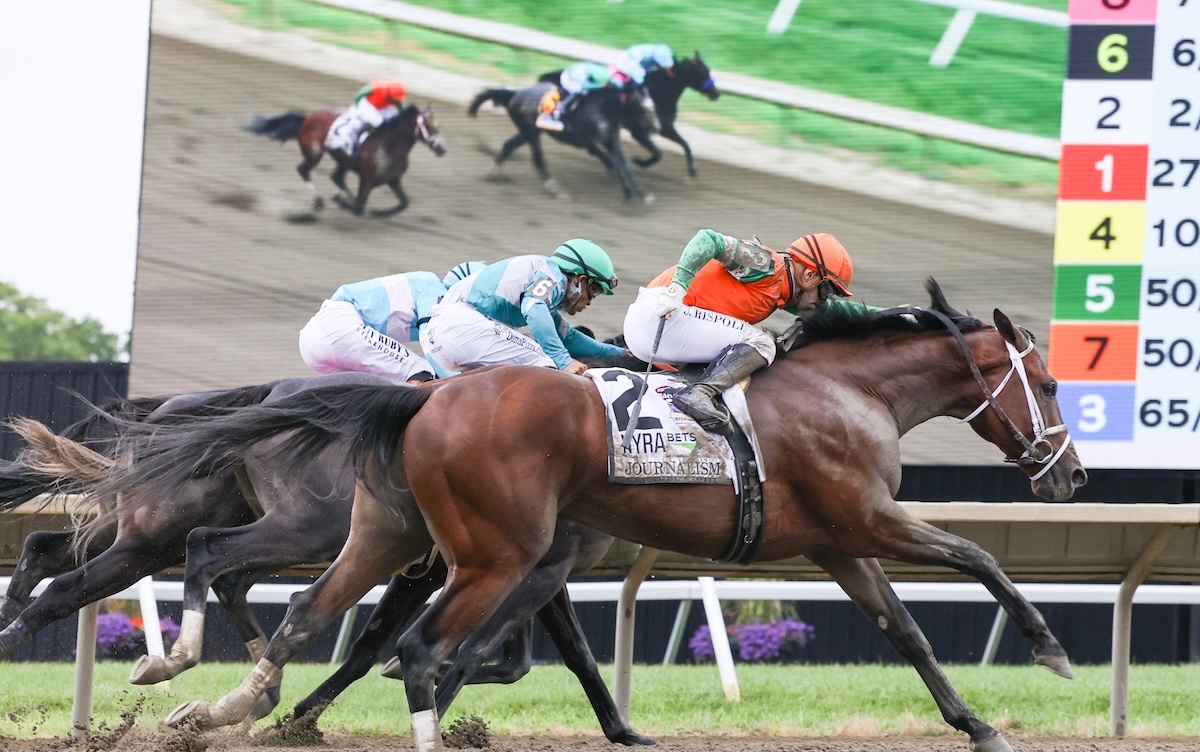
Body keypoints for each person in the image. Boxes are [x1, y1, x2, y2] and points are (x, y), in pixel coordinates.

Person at [623, 229, 877, 434]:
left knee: (741, 352)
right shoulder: (766, 265)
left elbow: (835, 312)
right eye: (828, 291)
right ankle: (699, 393)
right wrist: (678, 288)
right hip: (661, 316)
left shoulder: (782, 291)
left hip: (659, 333)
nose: (825, 300)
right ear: (809, 275)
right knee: (763, 343)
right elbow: (707, 239)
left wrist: (893, 314)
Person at [423, 239, 626, 375]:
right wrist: (564, 361)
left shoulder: (545, 292)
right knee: (549, 366)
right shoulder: (551, 275)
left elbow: (569, 338)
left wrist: (618, 353)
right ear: (580, 281)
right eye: (593, 293)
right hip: (460, 325)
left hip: (445, 337)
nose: (589, 302)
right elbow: (534, 307)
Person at [298, 261, 487, 384]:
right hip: (338, 329)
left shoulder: (429, 288)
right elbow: (432, 344)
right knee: (422, 372)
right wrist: (458, 382)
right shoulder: (434, 289)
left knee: (377, 394)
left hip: (313, 343)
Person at [536, 62, 635, 132]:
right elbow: (586, 87)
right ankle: (558, 113)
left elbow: (618, 84)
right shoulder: (585, 81)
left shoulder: (607, 74)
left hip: (585, 72)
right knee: (579, 92)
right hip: (571, 79)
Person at [325, 80, 408, 157]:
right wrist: (356, 106)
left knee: (393, 117)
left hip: (381, 108)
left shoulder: (396, 98)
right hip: (368, 104)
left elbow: (400, 110)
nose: (395, 101)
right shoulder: (378, 87)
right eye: (393, 98)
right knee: (377, 121)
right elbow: (361, 93)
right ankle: (344, 140)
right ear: (389, 93)